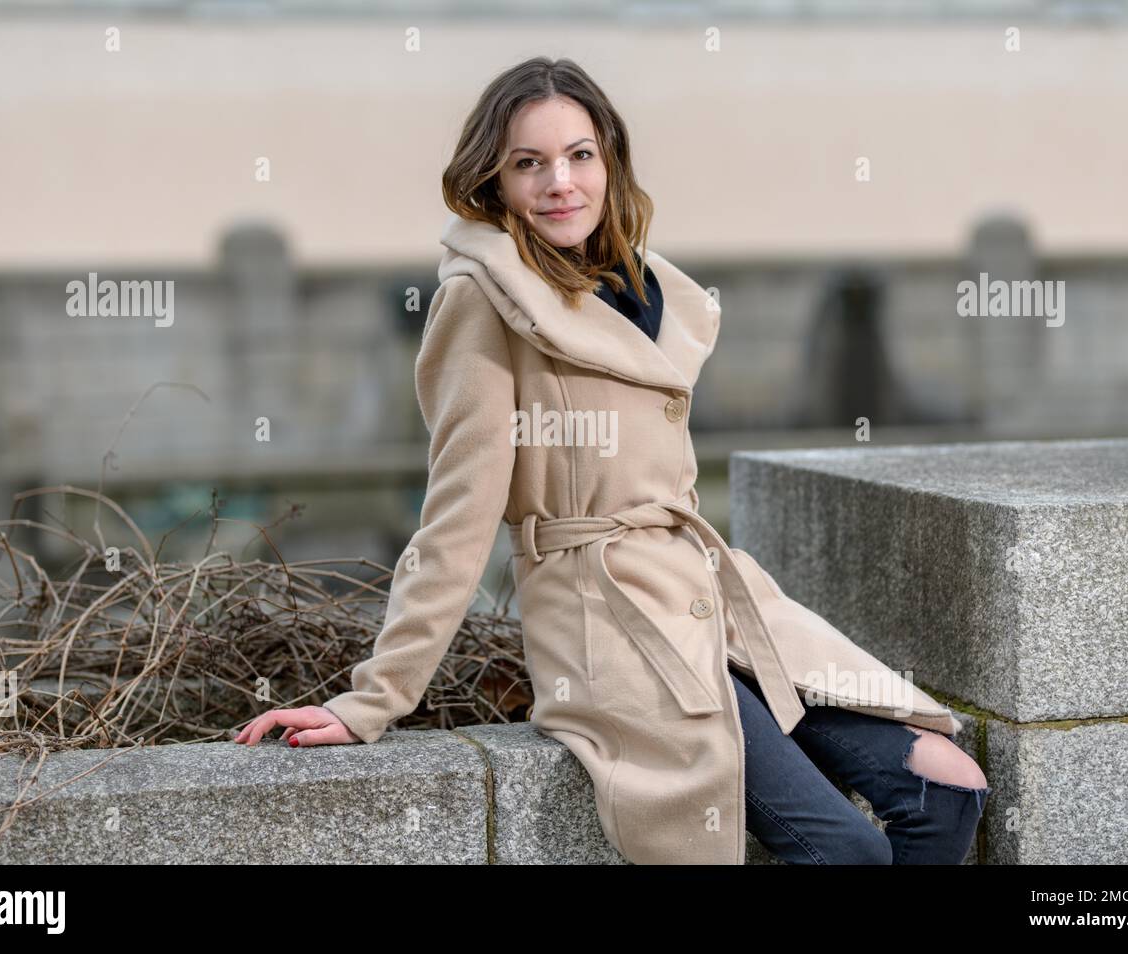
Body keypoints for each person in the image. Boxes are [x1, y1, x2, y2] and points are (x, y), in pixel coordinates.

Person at [235, 56, 991, 864]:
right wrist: (371, 701)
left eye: (580, 155)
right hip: (608, 622)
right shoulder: (485, 305)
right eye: (530, 163)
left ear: (610, 161)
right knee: (846, 852)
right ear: (495, 181)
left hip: (706, 594)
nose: (560, 182)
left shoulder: (648, 288)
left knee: (947, 786)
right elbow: (458, 516)